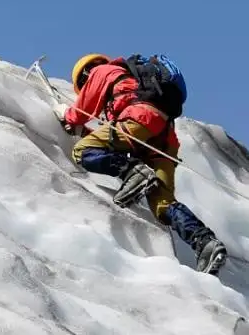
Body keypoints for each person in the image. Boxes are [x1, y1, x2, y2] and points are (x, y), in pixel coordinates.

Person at [53, 53, 228, 275]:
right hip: (164, 139)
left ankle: (134, 173)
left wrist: (66, 116)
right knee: (162, 204)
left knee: (82, 151)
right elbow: (116, 137)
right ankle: (205, 243)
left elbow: (80, 113)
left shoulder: (102, 72)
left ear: (85, 74)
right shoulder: (135, 84)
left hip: (139, 120)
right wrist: (86, 131)